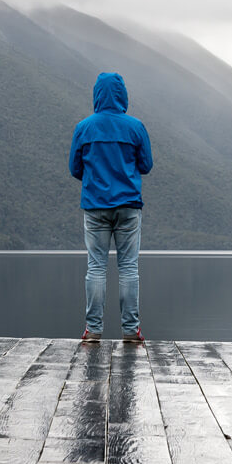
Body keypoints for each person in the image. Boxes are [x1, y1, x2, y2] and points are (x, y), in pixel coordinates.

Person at [70, 72, 152, 343]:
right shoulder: (135, 126)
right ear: (122, 94)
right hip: (129, 206)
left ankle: (93, 330)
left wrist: (96, 179)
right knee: (128, 268)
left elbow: (75, 168)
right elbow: (146, 165)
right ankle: (131, 330)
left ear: (96, 94)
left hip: (94, 206)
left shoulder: (84, 127)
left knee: (96, 267)